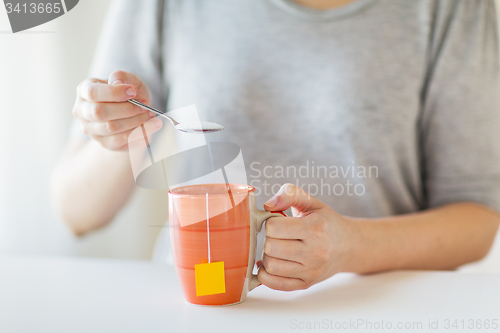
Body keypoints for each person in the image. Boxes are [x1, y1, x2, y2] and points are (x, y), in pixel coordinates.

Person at [51, 0, 500, 291]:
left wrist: (351, 246)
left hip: (374, 307)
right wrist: (126, 136)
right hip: (205, 303)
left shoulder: (452, 9)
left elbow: (477, 219)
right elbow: (76, 211)